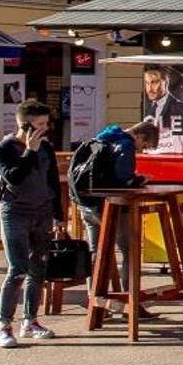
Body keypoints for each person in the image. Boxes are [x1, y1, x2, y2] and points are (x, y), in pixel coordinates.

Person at [0, 100, 64, 348]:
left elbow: (52, 181)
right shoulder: (1, 149)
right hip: (15, 212)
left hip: (42, 211)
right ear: (25, 124)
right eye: (40, 124)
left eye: (46, 124)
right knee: (17, 269)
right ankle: (3, 325)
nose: (45, 129)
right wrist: (29, 151)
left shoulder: (47, 148)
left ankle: (30, 321)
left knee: (38, 269)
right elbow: (14, 177)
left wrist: (59, 215)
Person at [69, 119, 159, 311]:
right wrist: (139, 180)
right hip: (112, 206)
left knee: (97, 252)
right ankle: (130, 300)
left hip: (87, 204)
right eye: (144, 146)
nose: (142, 150)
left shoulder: (104, 137)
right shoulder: (126, 145)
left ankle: (94, 299)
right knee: (128, 251)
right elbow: (123, 179)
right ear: (140, 136)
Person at [139, 65, 183, 133]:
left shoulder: (179, 107)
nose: (149, 89)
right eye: (147, 83)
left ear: (166, 82)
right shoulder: (146, 107)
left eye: (154, 82)